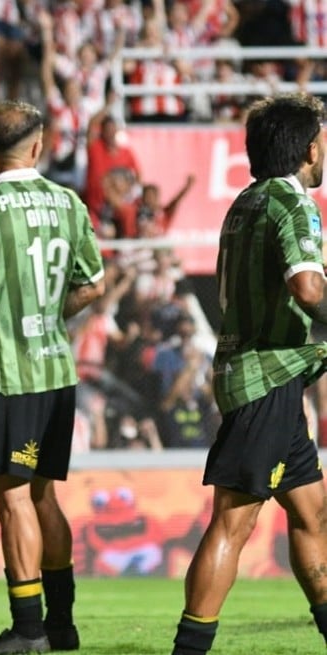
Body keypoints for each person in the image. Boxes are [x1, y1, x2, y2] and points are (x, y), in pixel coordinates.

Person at [0, 100, 106, 655]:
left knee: (10, 500)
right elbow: (93, 283)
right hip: (57, 371)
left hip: (7, 376)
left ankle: (28, 629)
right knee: (43, 497)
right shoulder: (69, 202)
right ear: (38, 145)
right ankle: (62, 624)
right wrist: (49, 315)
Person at [170, 93, 327, 655]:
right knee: (234, 522)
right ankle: (189, 650)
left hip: (269, 375)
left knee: (311, 513)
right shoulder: (293, 202)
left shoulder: (245, 201)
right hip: (265, 379)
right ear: (310, 149)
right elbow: (306, 286)